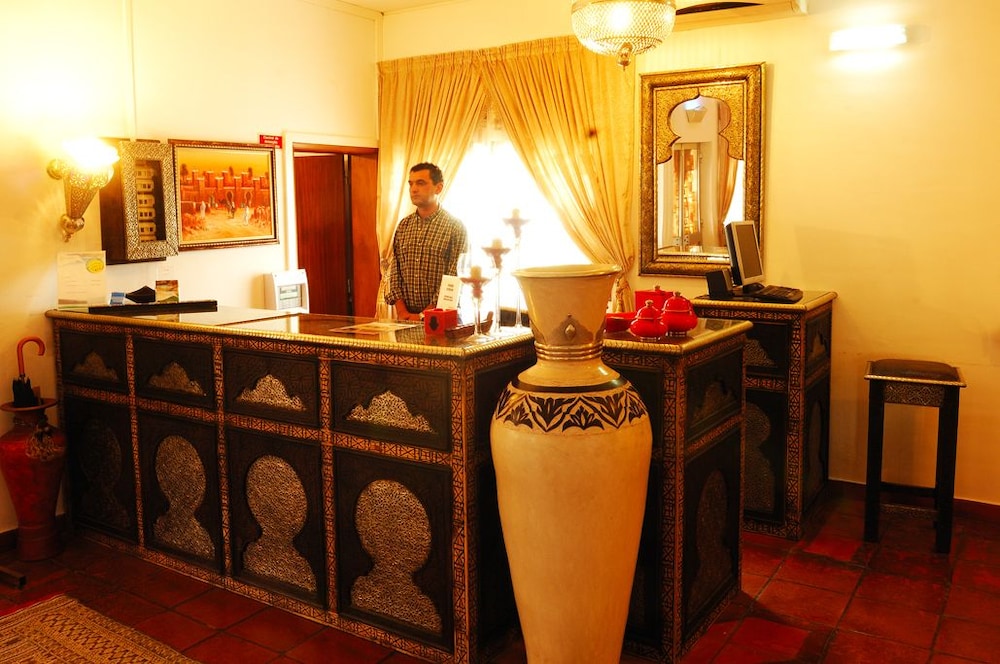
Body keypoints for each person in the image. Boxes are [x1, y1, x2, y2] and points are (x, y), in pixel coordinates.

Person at [385, 162, 468, 321]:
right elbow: (395, 271)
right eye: (411, 184)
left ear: (438, 188)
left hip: (443, 319)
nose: (413, 189)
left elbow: (455, 276)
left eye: (420, 183)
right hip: (406, 319)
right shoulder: (404, 225)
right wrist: (402, 312)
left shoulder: (455, 227)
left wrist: (425, 315)